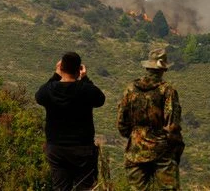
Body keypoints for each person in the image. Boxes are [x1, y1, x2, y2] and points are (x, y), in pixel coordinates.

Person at [36, 52, 105, 191]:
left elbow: (39, 96)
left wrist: (55, 75)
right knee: (85, 187)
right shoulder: (85, 90)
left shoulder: (50, 90)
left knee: (60, 188)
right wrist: (85, 79)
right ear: (79, 69)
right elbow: (100, 99)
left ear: (61, 68)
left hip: (56, 149)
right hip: (83, 149)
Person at [117, 48, 185, 190]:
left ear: (147, 67)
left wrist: (135, 135)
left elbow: (122, 122)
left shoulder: (130, 89)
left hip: (135, 149)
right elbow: (172, 124)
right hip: (161, 149)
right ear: (163, 69)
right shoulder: (167, 91)